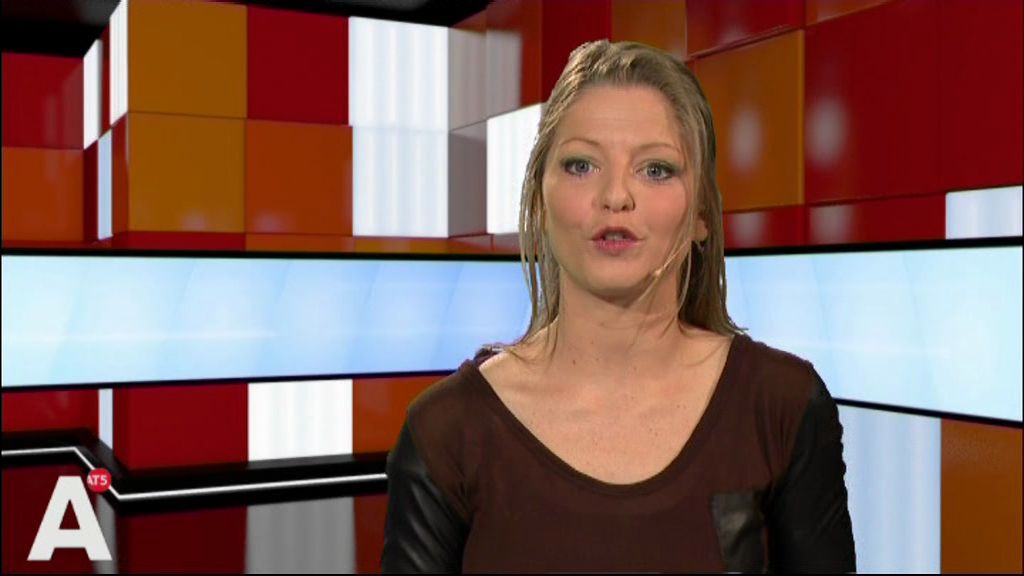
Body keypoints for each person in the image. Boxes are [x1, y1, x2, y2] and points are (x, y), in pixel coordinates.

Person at [381, 39, 855, 573]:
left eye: (656, 170)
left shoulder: (783, 407)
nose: (615, 196)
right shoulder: (446, 433)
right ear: (539, 201)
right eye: (581, 164)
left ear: (702, 214)